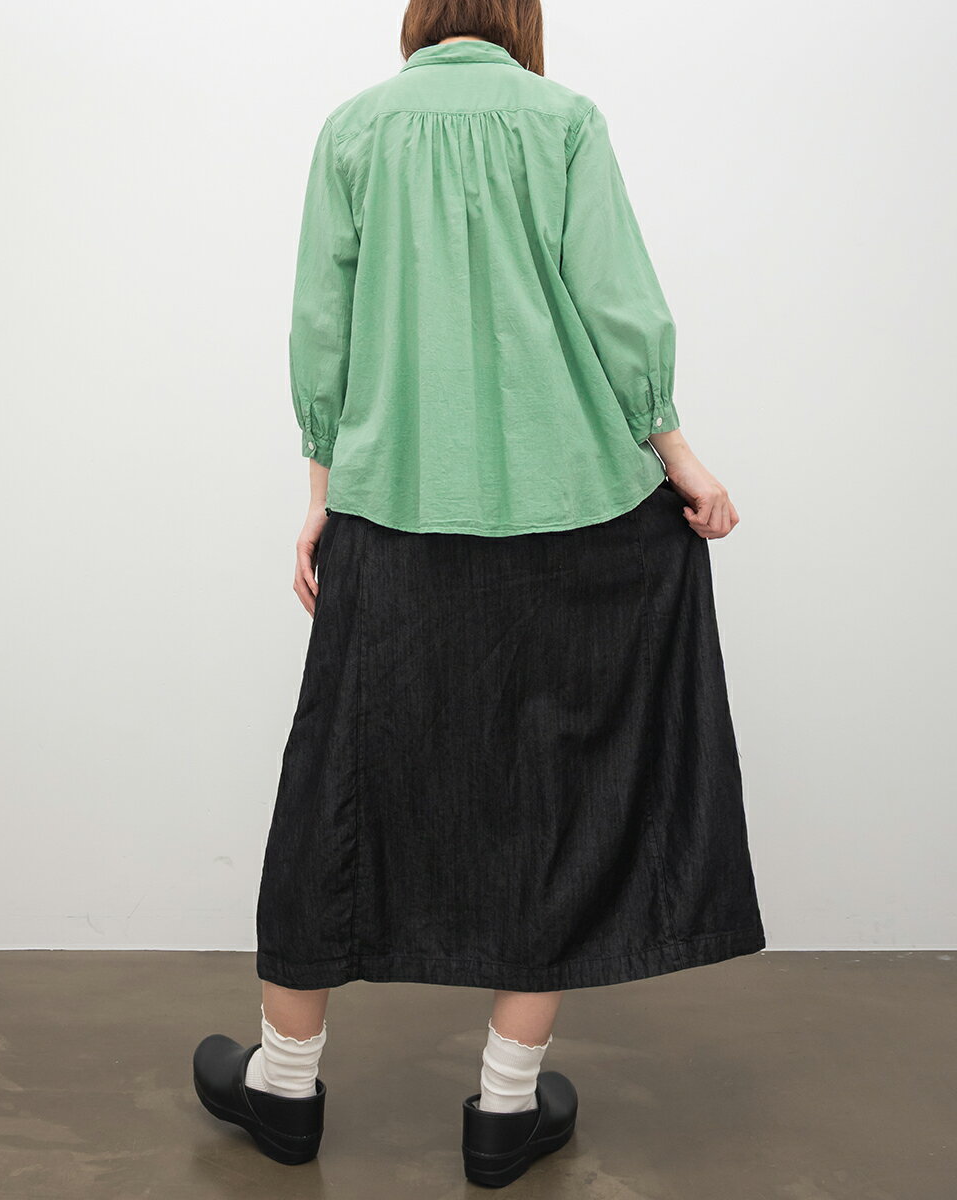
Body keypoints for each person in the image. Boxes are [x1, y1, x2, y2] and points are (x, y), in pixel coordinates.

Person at [193, 0, 766, 1187]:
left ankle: (284, 1087)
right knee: (558, 795)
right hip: (575, 518)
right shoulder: (563, 121)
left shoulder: (355, 129)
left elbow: (320, 328)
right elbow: (617, 305)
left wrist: (321, 490)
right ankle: (505, 1111)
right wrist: (678, 456)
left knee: (335, 785)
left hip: (392, 509)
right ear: (520, 15)